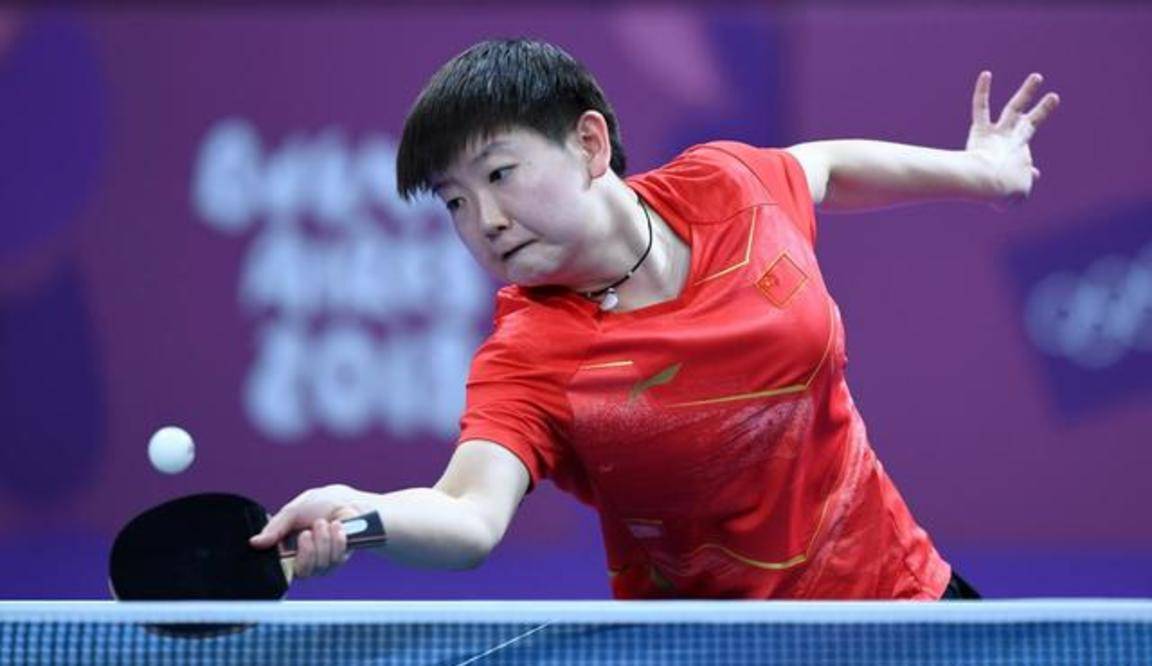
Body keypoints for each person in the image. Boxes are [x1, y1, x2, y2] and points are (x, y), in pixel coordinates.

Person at [250, 39, 1059, 599]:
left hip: (904, 603)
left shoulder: (730, 187)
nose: (484, 221)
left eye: (499, 175)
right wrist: (363, 515)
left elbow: (825, 168)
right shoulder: (530, 355)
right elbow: (468, 514)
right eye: (454, 202)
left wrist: (982, 173)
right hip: (716, 651)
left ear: (589, 144)